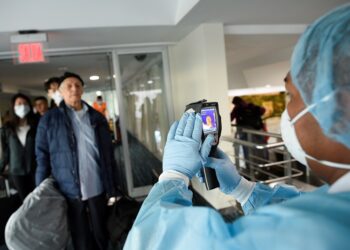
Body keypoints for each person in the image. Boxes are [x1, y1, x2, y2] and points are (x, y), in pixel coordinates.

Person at [124, 4, 350, 250]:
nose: (288, 112)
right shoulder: (334, 212)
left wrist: (173, 177)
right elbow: (309, 211)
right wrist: (245, 190)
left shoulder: (308, 233)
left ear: (340, 106)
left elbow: (154, 243)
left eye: (292, 96)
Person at [35, 72, 117, 250]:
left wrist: (113, 185)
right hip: (69, 189)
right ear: (61, 92)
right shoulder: (49, 120)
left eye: (78, 85)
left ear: (82, 90)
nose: (74, 89)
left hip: (97, 185)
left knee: (101, 231)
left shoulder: (97, 117)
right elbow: (42, 157)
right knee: (79, 235)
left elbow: (108, 155)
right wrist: (40, 190)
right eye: (69, 86)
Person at [0, 93, 38, 202]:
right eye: (19, 103)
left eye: (25, 103)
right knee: (24, 200)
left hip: (35, 168)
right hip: (16, 170)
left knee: (37, 198)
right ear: (13, 107)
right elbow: (6, 152)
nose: (22, 106)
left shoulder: (36, 125)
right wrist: (1, 169)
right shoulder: (7, 128)